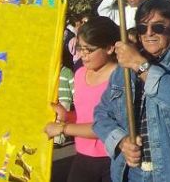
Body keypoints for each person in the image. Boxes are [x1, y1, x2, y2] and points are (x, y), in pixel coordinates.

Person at [93, 0, 170, 181]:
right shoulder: (123, 71)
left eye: (158, 27)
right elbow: (101, 114)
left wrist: (139, 65)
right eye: (142, 28)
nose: (149, 34)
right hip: (131, 173)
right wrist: (121, 141)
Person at [45, 17, 120, 181]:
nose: (83, 55)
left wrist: (63, 129)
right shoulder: (80, 74)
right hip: (83, 156)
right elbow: (85, 115)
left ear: (109, 48)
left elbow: (106, 127)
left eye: (89, 50)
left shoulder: (120, 79)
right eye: (80, 49)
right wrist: (67, 116)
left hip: (112, 159)